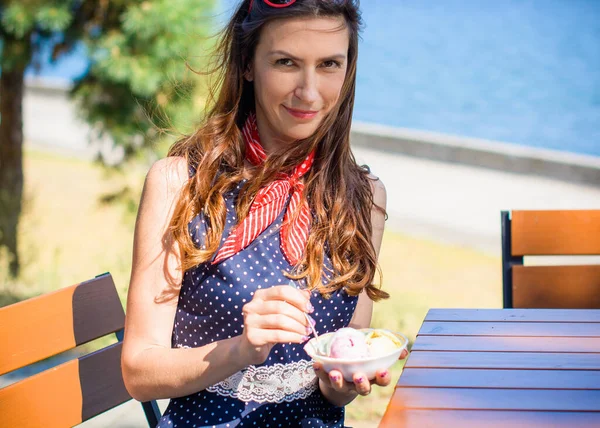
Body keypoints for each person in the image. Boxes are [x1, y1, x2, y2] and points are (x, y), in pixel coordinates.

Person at [122, 1, 407, 426]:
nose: (309, 93)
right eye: (286, 62)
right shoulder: (179, 183)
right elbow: (139, 371)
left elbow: (335, 381)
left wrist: (343, 380)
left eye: (329, 64)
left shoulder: (363, 199)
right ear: (248, 63)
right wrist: (241, 349)